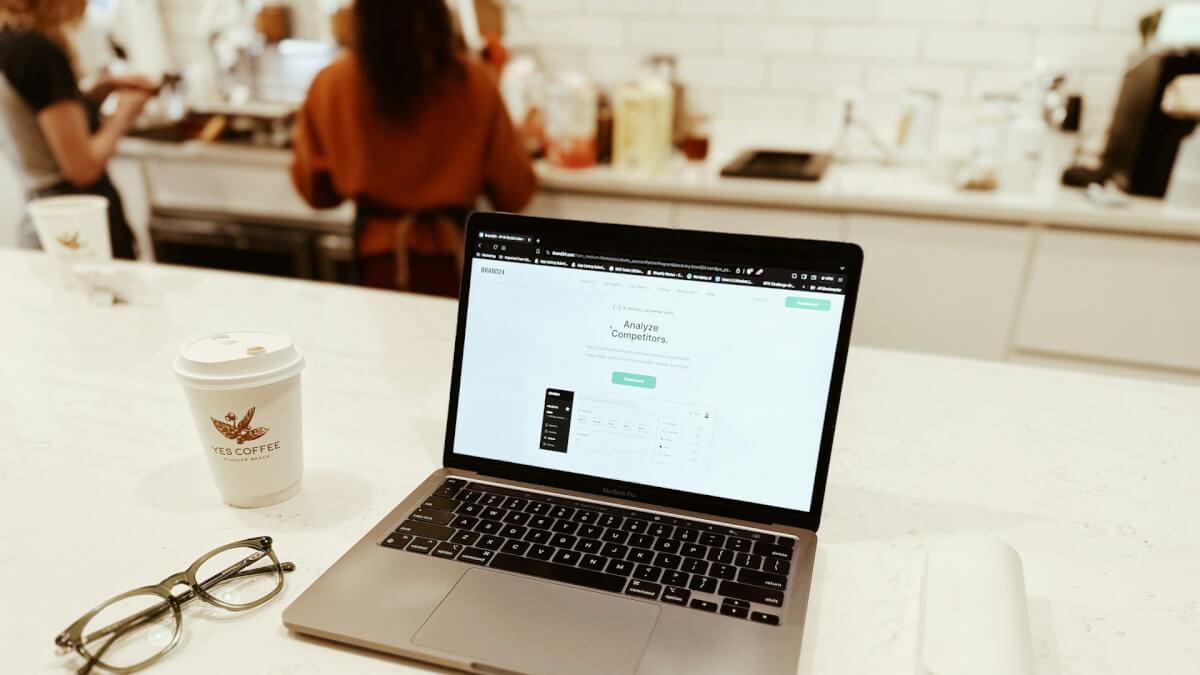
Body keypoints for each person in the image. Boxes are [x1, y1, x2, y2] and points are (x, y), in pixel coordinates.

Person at [291, 0, 536, 297]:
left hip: (376, 265)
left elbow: (315, 190)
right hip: (455, 263)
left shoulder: (332, 83)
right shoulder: (475, 82)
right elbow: (515, 191)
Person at [0, 0, 156, 259]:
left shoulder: (8, 43)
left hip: (43, 220)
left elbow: (38, 119)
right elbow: (82, 168)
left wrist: (96, 93)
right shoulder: (38, 53)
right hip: (80, 225)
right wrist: (123, 115)